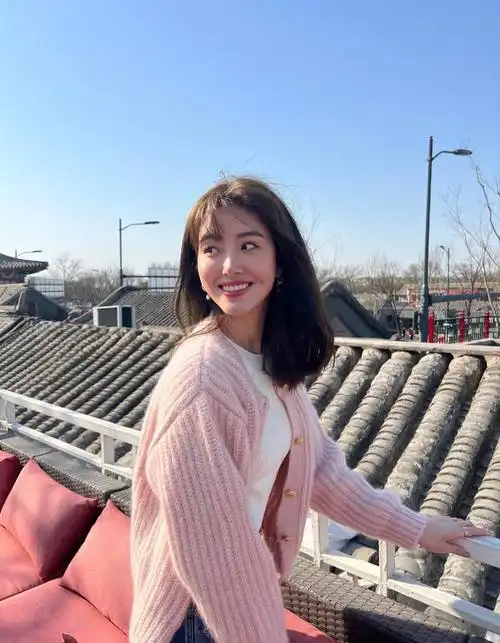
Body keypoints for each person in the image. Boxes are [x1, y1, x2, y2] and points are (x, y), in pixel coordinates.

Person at [130, 177, 487, 643]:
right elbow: (217, 555)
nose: (229, 264)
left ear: (280, 260)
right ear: (196, 265)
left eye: (248, 245)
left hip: (231, 604)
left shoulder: (269, 363)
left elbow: (320, 471)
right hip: (197, 615)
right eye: (211, 248)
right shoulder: (203, 381)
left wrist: (418, 528)